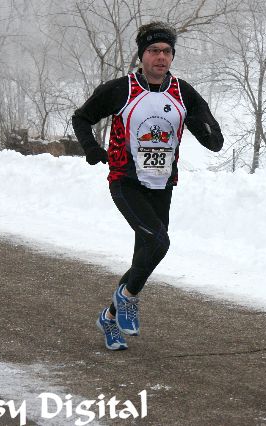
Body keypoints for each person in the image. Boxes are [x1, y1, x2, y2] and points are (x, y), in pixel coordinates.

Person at [72, 21, 224, 350]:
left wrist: (202, 126)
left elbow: (214, 141)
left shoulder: (182, 92)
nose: (161, 57)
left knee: (146, 254)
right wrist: (92, 149)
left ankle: (109, 317)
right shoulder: (121, 89)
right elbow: (81, 118)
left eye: (167, 51)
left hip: (162, 184)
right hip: (125, 180)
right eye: (154, 51)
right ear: (142, 55)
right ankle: (128, 298)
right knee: (159, 242)